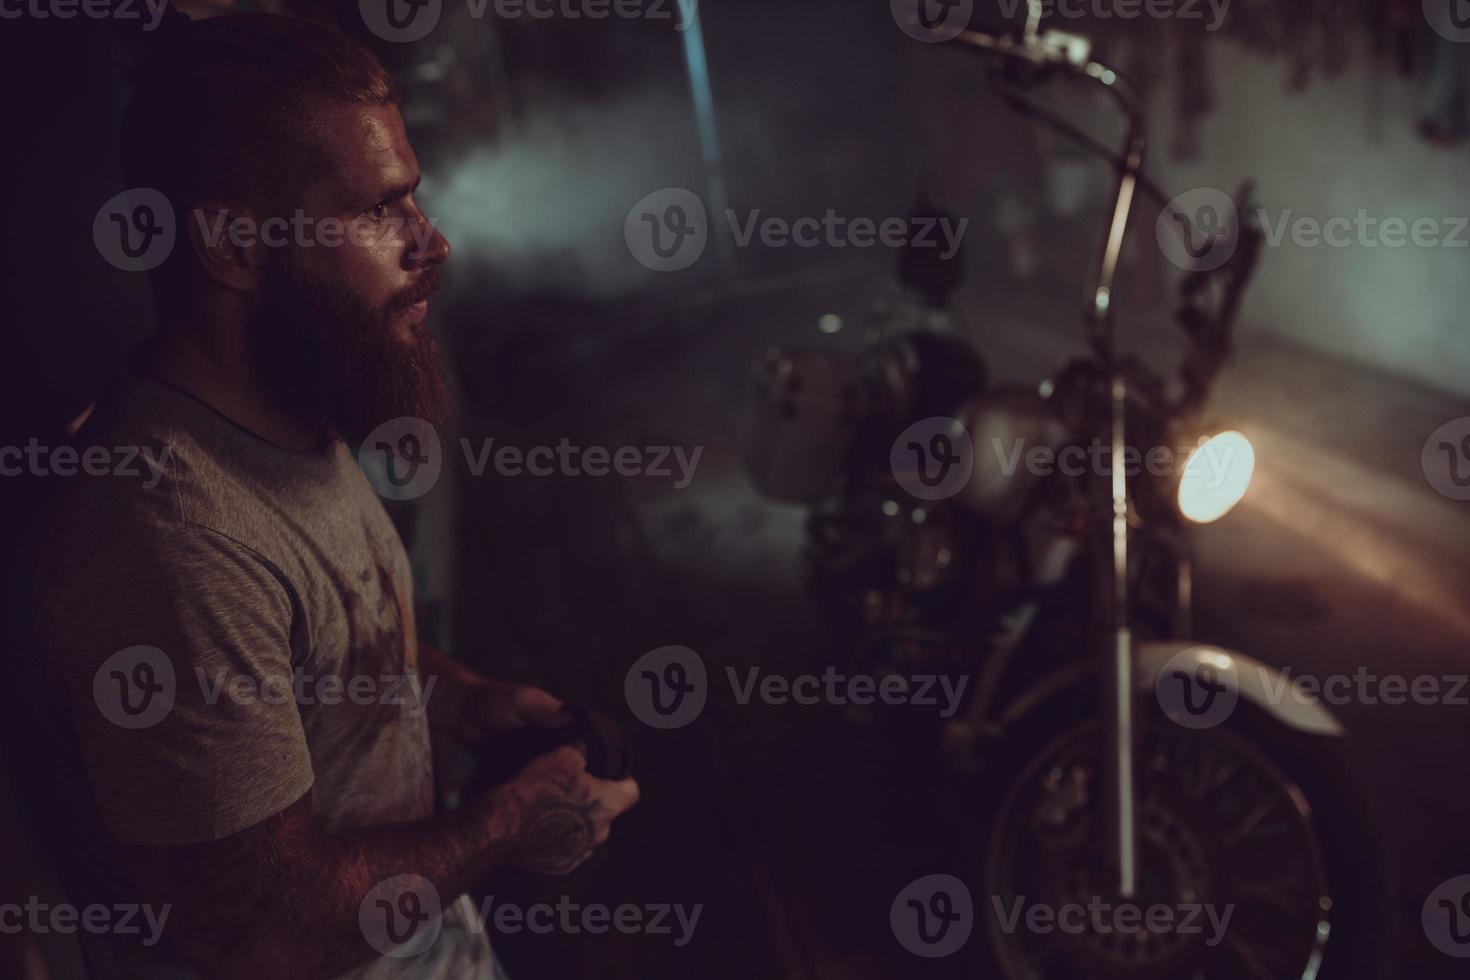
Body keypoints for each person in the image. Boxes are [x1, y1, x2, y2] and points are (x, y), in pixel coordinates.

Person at [24, 13, 639, 980]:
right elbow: (264, 935)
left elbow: (293, 663)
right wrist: (516, 819)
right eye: (380, 210)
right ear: (232, 244)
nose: (431, 244)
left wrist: (456, 697)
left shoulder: (288, 409)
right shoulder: (172, 545)